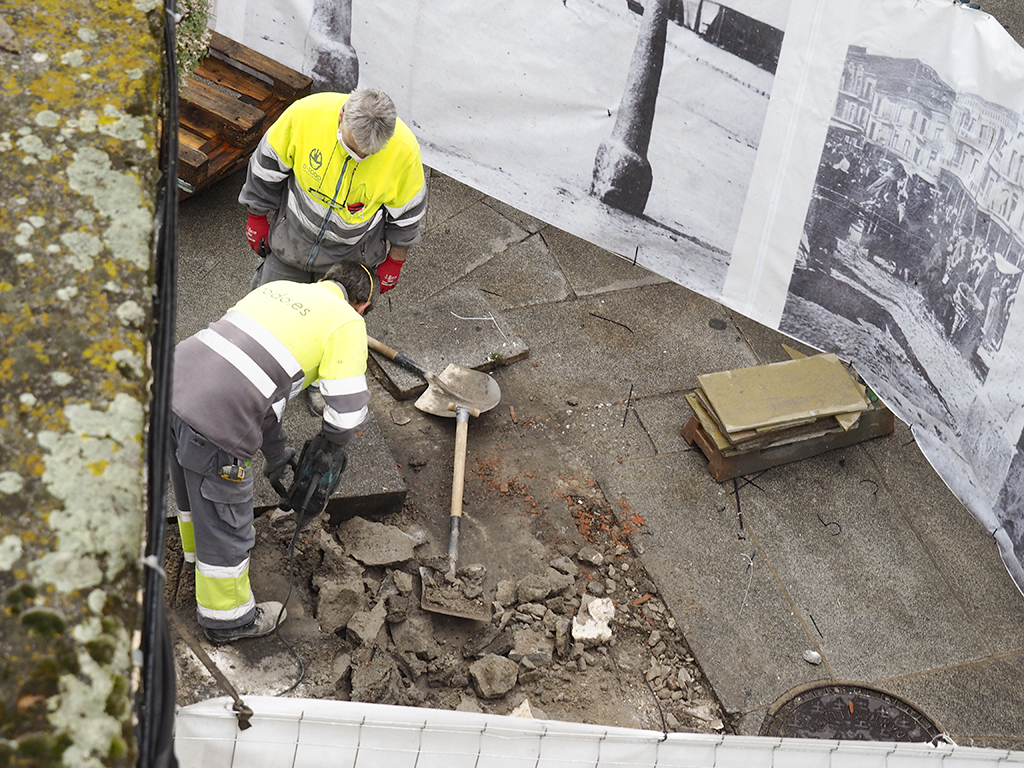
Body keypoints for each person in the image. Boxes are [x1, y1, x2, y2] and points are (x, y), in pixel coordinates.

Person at [168, 261, 374, 644]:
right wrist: (329, 448)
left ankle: (197, 558)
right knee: (227, 519)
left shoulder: (277, 290)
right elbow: (346, 415)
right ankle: (227, 620)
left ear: (325, 280)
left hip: (172, 382)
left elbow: (251, 374)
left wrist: (277, 449)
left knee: (190, 488)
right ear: (361, 305)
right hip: (220, 418)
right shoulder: (347, 321)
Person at [239, 87, 426, 293]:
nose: (360, 157)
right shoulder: (304, 115)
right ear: (341, 116)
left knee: (329, 324)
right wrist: (256, 216)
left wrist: (395, 261)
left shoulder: (405, 152)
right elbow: (266, 167)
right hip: (290, 242)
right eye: (352, 148)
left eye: (369, 154)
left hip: (349, 264)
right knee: (267, 311)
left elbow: (408, 214)